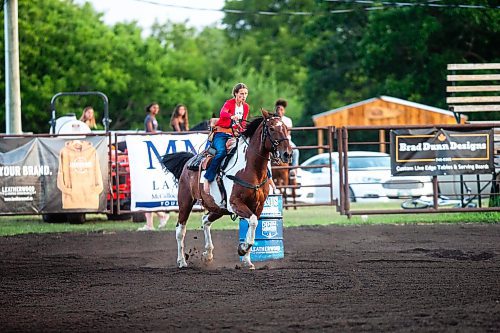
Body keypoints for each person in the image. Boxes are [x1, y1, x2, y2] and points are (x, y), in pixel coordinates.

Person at [203, 83, 251, 194]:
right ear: (235, 94)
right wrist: (231, 116)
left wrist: (244, 132)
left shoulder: (246, 107)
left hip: (235, 134)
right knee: (221, 152)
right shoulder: (229, 103)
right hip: (221, 133)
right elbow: (223, 113)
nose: (244, 96)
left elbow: (243, 123)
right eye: (241, 93)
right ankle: (208, 178)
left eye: (246, 94)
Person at [138, 102, 170, 231]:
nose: (156, 109)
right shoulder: (148, 118)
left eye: (157, 107)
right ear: (149, 108)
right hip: (149, 147)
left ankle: (155, 220)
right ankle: (155, 219)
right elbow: (150, 132)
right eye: (154, 107)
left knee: (147, 190)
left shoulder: (153, 118)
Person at [275, 98, 299, 177]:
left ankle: (293, 169)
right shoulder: (273, 120)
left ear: (284, 111)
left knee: (295, 151)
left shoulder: (288, 120)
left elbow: (288, 133)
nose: (279, 111)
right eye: (278, 109)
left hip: (286, 141)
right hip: (275, 141)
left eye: (281, 109)